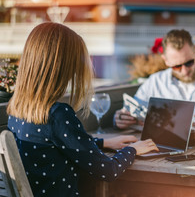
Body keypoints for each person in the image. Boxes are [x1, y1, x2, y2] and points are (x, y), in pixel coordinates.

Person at [7, 22, 158, 197]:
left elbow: (55, 144)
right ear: (63, 66)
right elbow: (107, 171)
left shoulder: (17, 109)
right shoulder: (57, 114)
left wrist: (103, 143)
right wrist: (133, 150)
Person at [114, 29, 195, 129]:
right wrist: (121, 119)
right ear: (166, 61)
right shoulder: (155, 81)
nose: (184, 71)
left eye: (189, 63)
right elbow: (134, 109)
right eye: (177, 66)